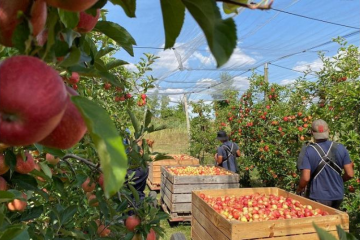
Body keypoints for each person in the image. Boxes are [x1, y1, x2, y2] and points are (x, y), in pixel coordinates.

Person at [296, 119, 354, 209]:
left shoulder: (309, 150)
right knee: (333, 221)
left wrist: (300, 188)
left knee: (320, 222)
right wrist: (338, 180)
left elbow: (306, 178)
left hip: (318, 197)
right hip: (337, 196)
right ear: (329, 131)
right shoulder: (341, 148)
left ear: (312, 133)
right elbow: (350, 174)